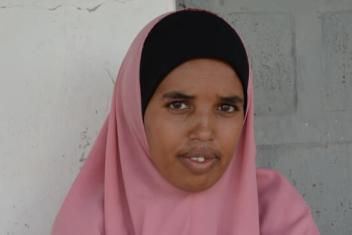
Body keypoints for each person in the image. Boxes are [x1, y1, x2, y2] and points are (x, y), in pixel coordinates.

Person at [51, 9, 320, 235]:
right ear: (134, 112)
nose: (204, 131)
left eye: (226, 107)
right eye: (178, 105)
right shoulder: (88, 223)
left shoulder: (277, 213)